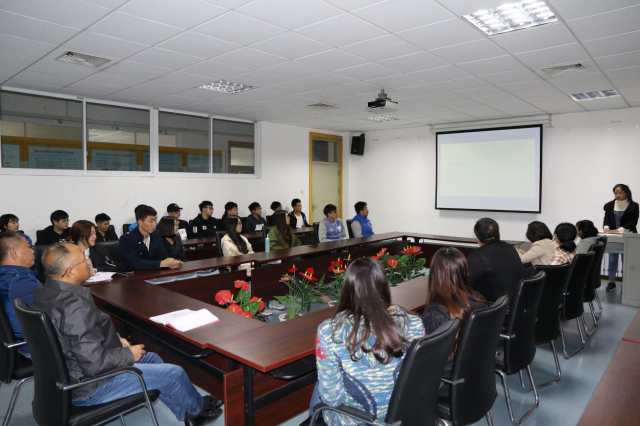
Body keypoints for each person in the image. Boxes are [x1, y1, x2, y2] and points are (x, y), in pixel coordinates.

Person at [34, 243, 223, 425]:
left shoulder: (46, 292)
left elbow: (77, 336)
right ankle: (199, 411)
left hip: (75, 371)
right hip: (92, 386)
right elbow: (93, 365)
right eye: (84, 259)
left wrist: (116, 340)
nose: (89, 260)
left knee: (153, 359)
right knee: (174, 374)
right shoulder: (74, 307)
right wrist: (127, 354)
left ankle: (186, 411)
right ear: (70, 272)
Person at [312, 258, 425, 425]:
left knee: (319, 390)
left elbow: (332, 400)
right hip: (403, 415)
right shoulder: (414, 323)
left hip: (356, 421)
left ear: (347, 289)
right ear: (384, 286)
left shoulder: (329, 332)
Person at [421, 247, 487, 397]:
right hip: (476, 376)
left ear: (435, 274)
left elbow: (433, 364)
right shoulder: (479, 300)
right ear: (464, 271)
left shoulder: (434, 315)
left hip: (448, 384)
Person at [0, 231, 40, 358]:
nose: (33, 251)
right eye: (28, 247)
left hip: (14, 345)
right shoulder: (21, 281)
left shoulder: (6, 275)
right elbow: (52, 315)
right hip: (33, 348)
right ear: (14, 253)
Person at [467, 218, 526, 304]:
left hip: (498, 307)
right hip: (518, 303)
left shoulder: (477, 255)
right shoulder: (510, 248)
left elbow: (464, 282)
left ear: (478, 239)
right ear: (499, 234)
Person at [119, 206, 182, 271]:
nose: (154, 224)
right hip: (133, 275)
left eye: (155, 220)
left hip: (153, 273)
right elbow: (136, 262)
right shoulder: (126, 239)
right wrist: (161, 263)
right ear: (140, 222)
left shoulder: (156, 235)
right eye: (151, 221)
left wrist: (172, 262)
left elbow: (162, 255)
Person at [603, 184, 639, 292]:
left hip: (628, 236)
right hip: (613, 237)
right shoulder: (610, 205)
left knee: (626, 260)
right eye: (615, 193)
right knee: (612, 259)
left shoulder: (634, 206)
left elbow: (633, 222)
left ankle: (626, 283)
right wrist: (606, 227)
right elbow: (607, 218)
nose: (617, 195)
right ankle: (611, 282)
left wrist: (620, 229)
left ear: (626, 193)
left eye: (620, 193)